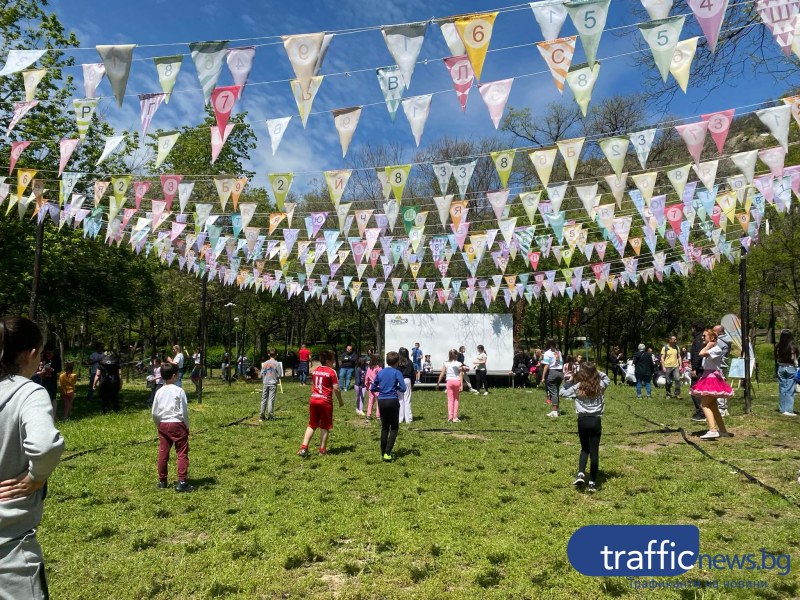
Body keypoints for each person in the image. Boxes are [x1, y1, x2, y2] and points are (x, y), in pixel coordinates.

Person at [0, 317, 65, 598]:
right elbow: (46, 445)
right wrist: (35, 478)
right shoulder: (29, 392)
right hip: (10, 545)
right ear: (30, 354)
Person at [560, 362, 610, 493]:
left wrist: (568, 381)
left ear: (581, 373)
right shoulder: (600, 386)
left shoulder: (578, 387)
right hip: (595, 421)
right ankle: (592, 482)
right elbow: (607, 378)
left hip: (582, 421)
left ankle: (581, 474)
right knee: (595, 451)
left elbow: (562, 393)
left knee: (584, 449)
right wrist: (595, 371)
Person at [151, 363, 194, 492]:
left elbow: (154, 412)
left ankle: (162, 481)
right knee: (181, 452)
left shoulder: (159, 391)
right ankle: (182, 481)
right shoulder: (179, 390)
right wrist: (186, 425)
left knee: (163, 452)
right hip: (177, 423)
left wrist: (158, 424)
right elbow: (184, 411)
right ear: (174, 375)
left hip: (163, 423)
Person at [298, 350, 344, 456]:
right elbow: (336, 388)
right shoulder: (332, 372)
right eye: (332, 360)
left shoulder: (316, 370)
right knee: (325, 426)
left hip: (314, 400)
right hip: (325, 401)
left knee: (312, 424)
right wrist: (340, 401)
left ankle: (304, 448)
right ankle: (322, 450)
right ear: (328, 361)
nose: (333, 362)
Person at [692, 329, 733, 439]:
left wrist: (708, 345)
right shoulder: (713, 349)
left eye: (704, 336)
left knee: (704, 404)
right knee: (713, 407)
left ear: (712, 338)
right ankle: (723, 431)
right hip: (708, 376)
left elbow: (701, 353)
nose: (702, 338)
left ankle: (713, 430)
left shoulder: (716, 349)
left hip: (712, 378)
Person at [370, 351, 407, 462]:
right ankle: (387, 452)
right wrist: (396, 388)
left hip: (381, 400)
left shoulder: (380, 373)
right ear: (397, 362)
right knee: (394, 428)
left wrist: (380, 390)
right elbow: (404, 388)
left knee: (385, 427)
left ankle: (382, 452)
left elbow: (372, 387)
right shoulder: (397, 372)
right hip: (392, 400)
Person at [775, 330, 798, 416]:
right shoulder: (792, 347)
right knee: (790, 390)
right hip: (791, 368)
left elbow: (777, 358)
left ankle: (782, 409)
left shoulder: (778, 346)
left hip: (781, 368)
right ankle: (788, 410)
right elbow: (794, 359)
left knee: (782, 389)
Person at [437, 349, 464, 423]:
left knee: (450, 400)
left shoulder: (446, 363)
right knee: (456, 400)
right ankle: (455, 417)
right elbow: (460, 374)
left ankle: (450, 417)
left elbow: (442, 374)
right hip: (457, 381)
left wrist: (438, 383)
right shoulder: (459, 363)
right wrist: (461, 385)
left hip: (449, 382)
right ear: (456, 355)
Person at [688, 321, 708, 422]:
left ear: (695, 328)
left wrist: (694, 368)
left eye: (692, 328)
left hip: (699, 369)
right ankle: (703, 412)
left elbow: (698, 354)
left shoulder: (699, 339)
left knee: (695, 391)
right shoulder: (701, 338)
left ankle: (701, 413)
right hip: (701, 368)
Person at [541, 338, 564, 417]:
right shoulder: (559, 352)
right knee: (556, 391)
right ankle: (557, 410)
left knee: (553, 393)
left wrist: (543, 377)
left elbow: (546, 366)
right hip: (560, 373)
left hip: (552, 373)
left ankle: (554, 412)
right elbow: (561, 363)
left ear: (549, 344)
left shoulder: (547, 353)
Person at [714, 325, 733, 417]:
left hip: (719, 366)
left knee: (719, 386)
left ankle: (722, 408)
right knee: (721, 385)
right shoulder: (726, 340)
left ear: (719, 332)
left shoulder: (719, 341)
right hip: (723, 365)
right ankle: (723, 407)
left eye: (714, 331)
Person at [260, 349, 280, 421]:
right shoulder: (277, 363)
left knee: (263, 399)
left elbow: (262, 373)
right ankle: (270, 416)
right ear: (276, 355)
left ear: (269, 354)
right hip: (273, 384)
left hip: (265, 383)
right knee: (271, 399)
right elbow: (279, 374)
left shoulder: (265, 363)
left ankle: (262, 416)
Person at [397, 347, 415, 424]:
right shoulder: (410, 362)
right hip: (407, 380)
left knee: (400, 400)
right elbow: (413, 374)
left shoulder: (397, 363)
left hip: (399, 381)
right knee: (407, 400)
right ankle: (408, 419)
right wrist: (413, 384)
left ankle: (400, 419)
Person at [364, 354, 382, 421]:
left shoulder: (369, 368)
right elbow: (381, 377)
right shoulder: (379, 368)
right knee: (378, 401)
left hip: (371, 386)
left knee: (370, 401)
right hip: (378, 386)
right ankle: (378, 416)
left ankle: (368, 415)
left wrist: (367, 386)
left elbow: (367, 378)